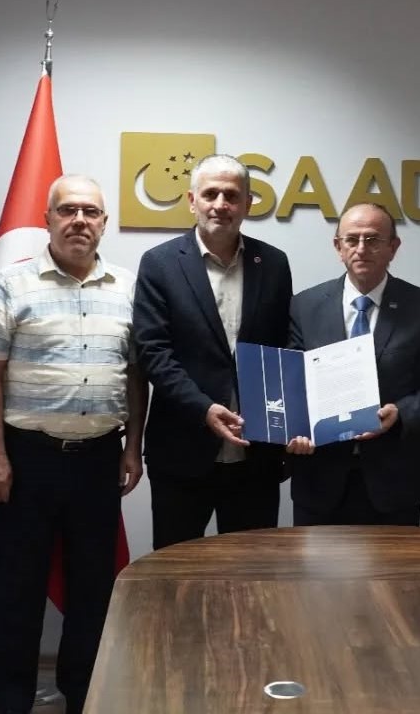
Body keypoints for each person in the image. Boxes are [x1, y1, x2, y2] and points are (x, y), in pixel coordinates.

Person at [0, 175, 146, 714]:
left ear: (104, 223)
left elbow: (136, 374)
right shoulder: (13, 284)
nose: (79, 220)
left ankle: (82, 694)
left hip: (99, 458)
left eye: (90, 212)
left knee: (93, 588)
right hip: (27, 459)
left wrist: (133, 448)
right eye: (67, 210)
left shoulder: (128, 288)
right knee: (15, 587)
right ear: (47, 219)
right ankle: (12, 699)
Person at [134, 154, 293, 549]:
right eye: (210, 194)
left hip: (256, 455)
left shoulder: (274, 264)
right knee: (175, 570)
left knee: (252, 571)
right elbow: (153, 353)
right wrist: (203, 408)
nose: (221, 204)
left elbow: (283, 349)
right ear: (192, 201)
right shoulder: (159, 264)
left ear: (247, 204)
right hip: (182, 451)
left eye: (231, 196)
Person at [284, 202, 420, 525]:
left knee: (392, 561)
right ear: (338, 247)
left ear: (393, 247)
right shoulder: (305, 305)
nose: (361, 248)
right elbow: (291, 381)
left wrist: (401, 412)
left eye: (373, 239)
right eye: (352, 239)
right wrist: (294, 428)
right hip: (319, 477)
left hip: (395, 481)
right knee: (315, 562)